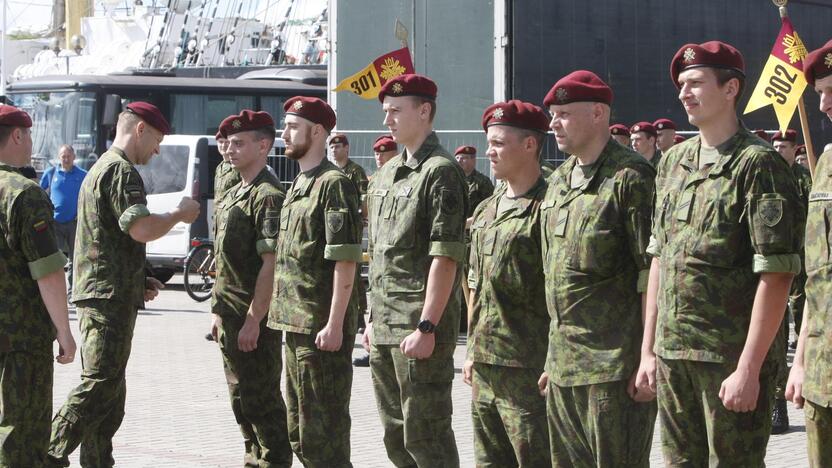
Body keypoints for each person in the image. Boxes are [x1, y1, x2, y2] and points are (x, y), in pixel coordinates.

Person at [639, 41, 803, 466]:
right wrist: (649, 350)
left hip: (727, 359)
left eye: (695, 83)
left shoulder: (758, 165)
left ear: (730, 89)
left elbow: (777, 274)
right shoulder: (673, 162)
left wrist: (749, 368)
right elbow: (659, 257)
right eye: (680, 85)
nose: (684, 94)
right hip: (674, 357)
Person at [48, 102, 201, 467]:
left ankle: (98, 461)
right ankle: (47, 450)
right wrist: (178, 214)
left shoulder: (101, 167)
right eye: (157, 140)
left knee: (110, 395)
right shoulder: (120, 172)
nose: (158, 150)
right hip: (107, 298)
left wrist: (139, 278)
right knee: (100, 383)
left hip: (106, 290)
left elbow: (106, 238)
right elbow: (141, 228)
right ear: (140, 130)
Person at [539, 71, 657, 466]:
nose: (554, 122)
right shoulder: (556, 184)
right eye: (552, 114)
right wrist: (551, 361)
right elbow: (554, 277)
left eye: (564, 113)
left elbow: (651, 274)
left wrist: (647, 355)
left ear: (598, 114)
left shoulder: (632, 178)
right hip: (563, 368)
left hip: (613, 369)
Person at [364, 73, 467, 467]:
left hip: (417, 326)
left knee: (426, 435)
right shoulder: (386, 175)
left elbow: (445, 256)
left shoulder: (440, 172)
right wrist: (371, 318)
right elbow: (380, 257)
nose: (386, 120)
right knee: (395, 433)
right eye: (385, 112)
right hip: (386, 325)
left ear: (424, 112)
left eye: (395, 111)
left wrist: (428, 326)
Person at [268, 96, 362, 467]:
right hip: (294, 325)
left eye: (293, 127)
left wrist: (336, 323)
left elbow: (345, 259)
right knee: (300, 431)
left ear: (318, 131)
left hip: (320, 330)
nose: (284, 134)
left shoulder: (333, 185)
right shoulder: (298, 185)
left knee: (323, 432)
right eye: (285, 126)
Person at [462, 100, 551, 467]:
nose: (489, 151)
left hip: (529, 365)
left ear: (529, 145)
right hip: (485, 365)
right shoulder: (486, 210)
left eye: (498, 142)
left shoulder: (550, 206)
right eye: (488, 142)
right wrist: (471, 349)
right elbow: (475, 283)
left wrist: (553, 359)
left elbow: (560, 289)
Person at [211, 110, 292, 466]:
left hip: (250, 319)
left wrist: (254, 318)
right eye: (228, 142)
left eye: (240, 143)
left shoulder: (267, 196)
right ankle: (253, 460)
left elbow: (270, 264)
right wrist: (216, 311)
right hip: (229, 314)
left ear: (264, 146)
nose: (230, 149)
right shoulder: (234, 192)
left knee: (262, 404)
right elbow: (224, 262)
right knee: (240, 402)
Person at [0, 104, 76, 466]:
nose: (30, 142)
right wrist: (64, 330)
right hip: (20, 339)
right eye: (28, 134)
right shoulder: (23, 193)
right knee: (21, 434)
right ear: (17, 135)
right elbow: (47, 271)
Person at [786, 38, 832, 467]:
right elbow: (819, 279)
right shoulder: (828, 163)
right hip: (823, 377)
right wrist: (800, 361)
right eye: (819, 92)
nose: (822, 105)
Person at [769, 128, 811, 434]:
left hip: (802, 260)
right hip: (774, 265)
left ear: (795, 149)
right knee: (775, 337)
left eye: (784, 145)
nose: (779, 149)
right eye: (776, 144)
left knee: (798, 313)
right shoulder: (767, 175)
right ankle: (776, 406)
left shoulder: (805, 177)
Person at [354, 134, 399, 368]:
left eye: (384, 152)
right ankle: (374, 351)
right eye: (376, 153)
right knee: (376, 297)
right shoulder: (374, 181)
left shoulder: (401, 177)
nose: (379, 157)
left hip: (396, 253)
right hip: (376, 248)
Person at [328, 133, 369, 334]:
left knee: (353, 269)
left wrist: (362, 217)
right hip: (336, 227)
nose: (334, 151)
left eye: (338, 147)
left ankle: (360, 313)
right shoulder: (333, 171)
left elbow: (364, 198)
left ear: (346, 148)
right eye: (332, 148)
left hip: (352, 226)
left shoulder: (355, 171)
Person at [205, 121, 242, 342]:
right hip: (219, 226)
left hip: (232, 226)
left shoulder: (237, 169)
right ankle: (215, 320)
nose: (222, 147)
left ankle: (220, 319)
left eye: (226, 142)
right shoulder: (220, 168)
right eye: (219, 142)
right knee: (217, 278)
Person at [455, 144, 494, 331]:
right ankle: (460, 319)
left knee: (472, 280)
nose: (461, 161)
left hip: (473, 235)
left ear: (473, 160)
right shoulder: (452, 179)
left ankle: (470, 320)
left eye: (465, 158)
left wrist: (468, 223)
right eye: (458, 158)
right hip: (455, 236)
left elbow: (488, 210)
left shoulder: (482, 183)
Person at [40, 144, 87, 301]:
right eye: (63, 156)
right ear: (59, 157)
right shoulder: (51, 173)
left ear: (74, 157)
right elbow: (39, 193)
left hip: (75, 224)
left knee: (76, 260)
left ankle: (72, 294)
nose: (66, 159)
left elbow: (90, 196)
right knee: (56, 261)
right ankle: (56, 295)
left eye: (68, 156)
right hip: (55, 224)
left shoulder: (83, 175)